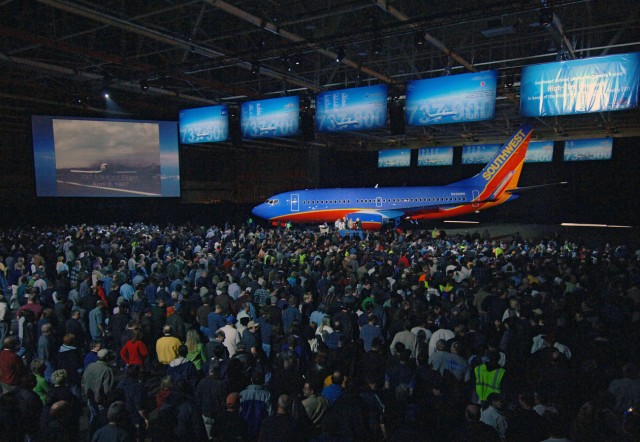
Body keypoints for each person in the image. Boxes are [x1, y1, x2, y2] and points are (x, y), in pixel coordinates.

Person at [82, 349, 116, 437]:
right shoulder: (107, 370)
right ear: (107, 357)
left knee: (92, 420)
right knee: (103, 421)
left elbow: (83, 381)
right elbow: (108, 390)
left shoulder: (90, 366)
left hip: (90, 399)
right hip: (101, 401)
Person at [195, 360, 229, 440]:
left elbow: (198, 399)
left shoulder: (201, 383)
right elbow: (223, 401)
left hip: (206, 414)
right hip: (218, 415)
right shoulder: (221, 384)